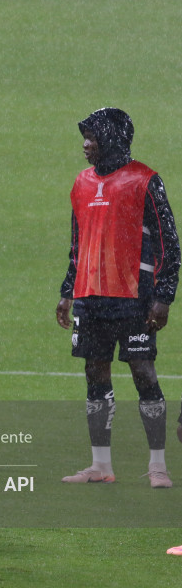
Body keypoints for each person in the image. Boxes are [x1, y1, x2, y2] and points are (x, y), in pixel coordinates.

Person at [56, 107, 180, 488]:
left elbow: (169, 243)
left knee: (143, 374)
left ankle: (158, 465)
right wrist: (67, 292)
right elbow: (78, 245)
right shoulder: (80, 183)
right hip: (90, 298)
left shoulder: (145, 180)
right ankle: (100, 465)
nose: (85, 144)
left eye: (91, 137)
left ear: (110, 137)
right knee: (95, 374)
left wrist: (164, 297)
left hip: (134, 298)